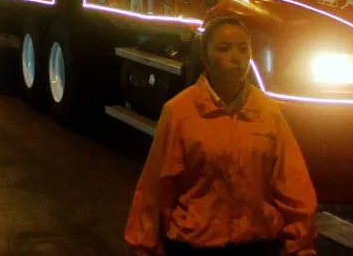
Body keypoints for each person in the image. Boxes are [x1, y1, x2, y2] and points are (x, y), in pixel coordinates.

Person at [124, 17, 318, 256]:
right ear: (205, 58)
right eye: (224, 49)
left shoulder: (268, 112)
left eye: (243, 48)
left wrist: (300, 245)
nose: (236, 58)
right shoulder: (180, 112)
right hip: (195, 246)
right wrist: (143, 245)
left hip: (256, 246)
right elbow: (155, 186)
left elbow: (292, 183)